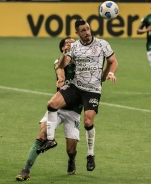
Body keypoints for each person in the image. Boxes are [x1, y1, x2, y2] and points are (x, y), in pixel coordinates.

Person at [39, 19, 118, 172]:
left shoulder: (102, 44)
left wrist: (111, 72)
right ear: (77, 33)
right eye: (83, 30)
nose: (87, 32)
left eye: (87, 29)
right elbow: (62, 65)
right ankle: (50, 139)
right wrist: (65, 52)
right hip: (76, 86)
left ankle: (90, 154)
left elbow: (113, 61)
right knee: (51, 104)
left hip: (93, 89)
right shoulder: (74, 47)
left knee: (88, 122)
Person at [15, 37, 83, 181]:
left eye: (73, 41)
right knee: (42, 136)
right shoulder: (58, 62)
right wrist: (61, 79)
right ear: (62, 48)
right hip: (56, 108)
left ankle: (71, 160)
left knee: (71, 149)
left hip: (74, 112)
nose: (70, 43)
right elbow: (60, 71)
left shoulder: (83, 61)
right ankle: (25, 171)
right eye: (67, 43)